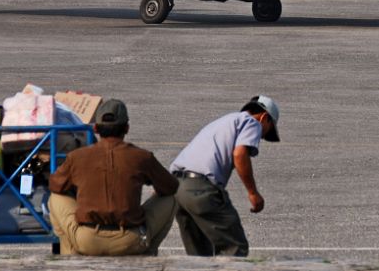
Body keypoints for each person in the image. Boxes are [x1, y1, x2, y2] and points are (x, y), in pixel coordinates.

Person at [47, 98, 178, 256]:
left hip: (87, 241)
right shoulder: (141, 157)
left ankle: (69, 254)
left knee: (55, 198)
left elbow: (55, 185)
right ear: (127, 128)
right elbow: (171, 187)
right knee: (171, 199)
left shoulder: (77, 157)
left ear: (95, 128)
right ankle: (148, 252)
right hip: (129, 240)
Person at [169, 95, 280, 257]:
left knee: (199, 253)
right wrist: (253, 192)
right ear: (264, 117)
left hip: (176, 187)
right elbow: (240, 154)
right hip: (200, 188)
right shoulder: (252, 123)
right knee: (234, 246)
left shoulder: (223, 122)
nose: (261, 137)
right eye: (266, 133)